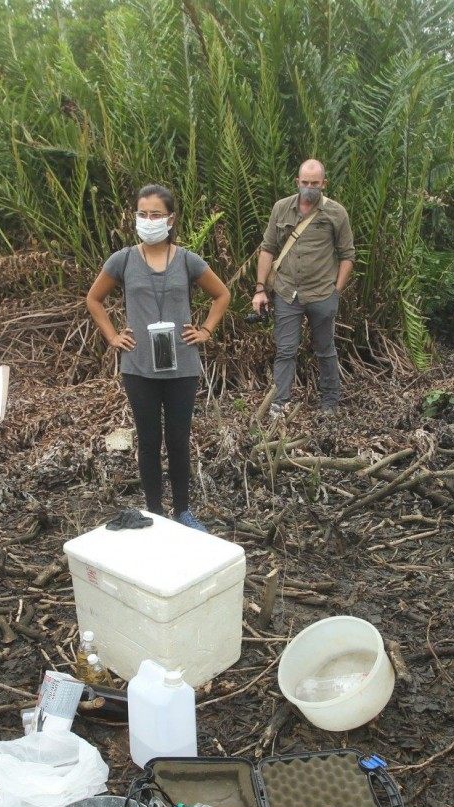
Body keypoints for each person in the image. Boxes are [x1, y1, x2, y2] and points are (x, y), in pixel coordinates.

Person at [86, 184, 230, 531]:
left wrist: (206, 331)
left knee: (178, 439)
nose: (148, 221)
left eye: (156, 215)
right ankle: (154, 512)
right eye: (142, 214)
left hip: (182, 365)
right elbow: (94, 299)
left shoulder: (186, 259)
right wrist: (113, 336)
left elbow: (222, 294)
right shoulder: (122, 260)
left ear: (170, 219)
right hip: (139, 366)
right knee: (149, 439)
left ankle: (182, 510)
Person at [252, 159, 355, 417]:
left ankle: (330, 403)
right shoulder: (281, 208)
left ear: (324, 184)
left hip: (322, 293)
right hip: (287, 293)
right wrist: (260, 288)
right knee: (285, 350)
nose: (309, 188)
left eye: (315, 183)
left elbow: (347, 255)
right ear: (297, 182)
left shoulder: (336, 212)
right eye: (305, 183)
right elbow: (267, 249)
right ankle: (279, 403)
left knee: (325, 349)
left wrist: (336, 292)